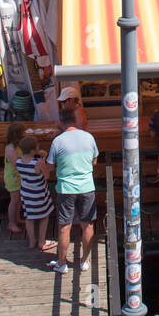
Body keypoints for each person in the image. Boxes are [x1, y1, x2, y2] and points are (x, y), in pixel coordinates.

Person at [44, 104, 99, 273]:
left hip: (66, 188)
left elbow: (50, 166)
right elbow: (94, 161)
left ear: (61, 121)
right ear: (75, 119)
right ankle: (84, 261)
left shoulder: (57, 141)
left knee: (64, 227)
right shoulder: (89, 137)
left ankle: (62, 264)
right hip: (86, 187)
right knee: (87, 225)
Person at [16, 135, 56, 252]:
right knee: (44, 216)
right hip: (39, 193)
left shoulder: (18, 161)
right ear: (33, 150)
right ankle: (41, 241)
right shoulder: (37, 163)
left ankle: (32, 240)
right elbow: (47, 175)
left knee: (30, 217)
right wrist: (43, 163)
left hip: (27, 194)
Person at [4, 123, 27, 234]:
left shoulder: (17, 146)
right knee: (14, 200)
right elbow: (16, 163)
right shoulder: (10, 148)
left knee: (18, 200)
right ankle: (11, 223)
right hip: (13, 177)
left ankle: (17, 218)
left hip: (18, 177)